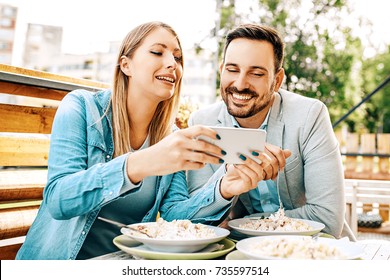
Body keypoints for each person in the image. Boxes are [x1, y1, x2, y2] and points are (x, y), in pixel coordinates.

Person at [16, 21, 273, 260]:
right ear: (126, 65)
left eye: (178, 56)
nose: (172, 63)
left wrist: (223, 188)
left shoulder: (169, 137)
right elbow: (60, 199)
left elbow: (176, 216)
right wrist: (139, 164)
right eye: (157, 52)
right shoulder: (82, 108)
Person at [187, 23, 355, 240]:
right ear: (221, 70)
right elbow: (198, 223)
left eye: (256, 73)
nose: (239, 84)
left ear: (276, 81)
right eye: (232, 69)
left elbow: (327, 218)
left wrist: (241, 227)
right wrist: (226, 180)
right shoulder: (202, 122)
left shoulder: (310, 115)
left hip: (315, 251)